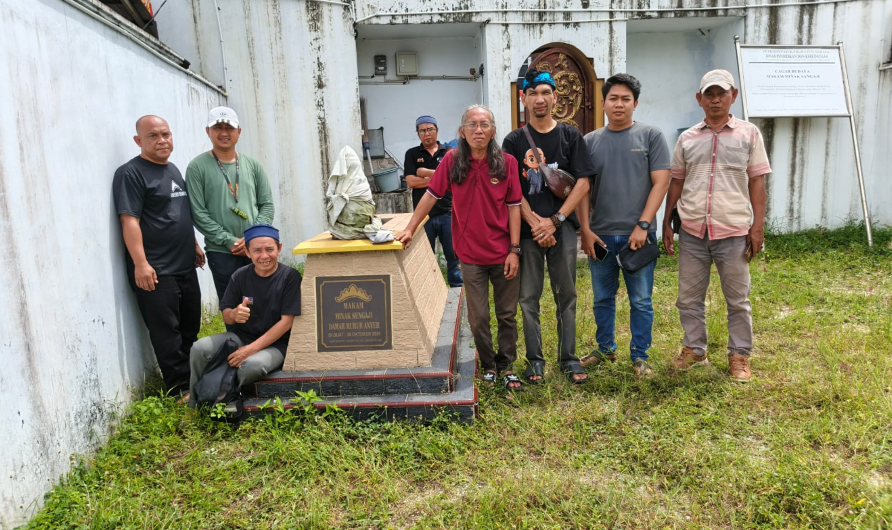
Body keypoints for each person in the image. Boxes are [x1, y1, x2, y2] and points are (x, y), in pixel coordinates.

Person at [395, 105, 524, 390]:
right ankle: (488, 365)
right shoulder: (453, 161)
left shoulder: (507, 162)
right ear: (462, 131)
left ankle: (507, 366)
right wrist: (410, 228)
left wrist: (515, 249)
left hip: (503, 253)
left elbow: (515, 208)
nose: (479, 130)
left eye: (485, 124)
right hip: (470, 255)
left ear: (492, 131)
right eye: (472, 125)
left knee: (506, 314)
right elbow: (429, 196)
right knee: (478, 317)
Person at [662, 69, 771, 382]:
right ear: (699, 99)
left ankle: (739, 355)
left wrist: (758, 226)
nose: (715, 99)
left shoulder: (749, 134)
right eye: (708, 94)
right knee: (688, 298)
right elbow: (677, 182)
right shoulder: (687, 138)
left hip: (733, 230)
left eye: (721, 93)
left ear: (732, 95)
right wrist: (668, 222)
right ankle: (695, 348)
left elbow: (757, 182)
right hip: (693, 231)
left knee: (738, 300)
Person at [501, 68, 596, 385]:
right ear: (523, 98)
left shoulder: (570, 136)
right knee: (528, 298)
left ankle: (569, 358)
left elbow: (583, 183)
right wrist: (535, 223)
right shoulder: (513, 141)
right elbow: (511, 188)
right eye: (533, 93)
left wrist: (555, 221)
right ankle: (535, 361)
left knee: (566, 294)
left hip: (563, 230)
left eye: (545, 92)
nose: (539, 99)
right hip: (528, 233)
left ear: (555, 97)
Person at [578, 73, 671, 378]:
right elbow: (583, 189)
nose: (619, 104)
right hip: (601, 236)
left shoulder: (651, 136)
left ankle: (640, 356)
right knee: (602, 298)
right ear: (603, 103)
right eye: (613, 98)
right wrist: (586, 230)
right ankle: (605, 350)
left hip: (638, 237)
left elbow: (661, 183)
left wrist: (643, 225)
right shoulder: (590, 142)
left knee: (641, 300)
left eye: (625, 99)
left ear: (636, 104)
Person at [113, 115, 205, 398]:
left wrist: (193, 245)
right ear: (138, 141)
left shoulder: (173, 169)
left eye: (166, 134)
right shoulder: (130, 173)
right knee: (167, 333)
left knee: (191, 327)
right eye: (153, 136)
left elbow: (177, 214)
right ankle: (179, 389)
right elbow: (129, 221)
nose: (162, 140)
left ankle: (196, 380)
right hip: (157, 271)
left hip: (184, 266)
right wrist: (141, 264)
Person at [188, 223, 301, 405]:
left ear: (279, 249)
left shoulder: (290, 277)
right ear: (247, 252)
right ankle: (194, 402)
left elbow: (286, 322)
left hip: (276, 345)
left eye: (269, 249)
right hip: (240, 338)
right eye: (257, 251)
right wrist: (234, 314)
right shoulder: (239, 276)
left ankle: (219, 394)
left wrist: (249, 350)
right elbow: (226, 314)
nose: (264, 256)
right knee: (199, 349)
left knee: (251, 366)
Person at [186, 106, 275, 303]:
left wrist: (252, 237)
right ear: (208, 131)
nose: (224, 133)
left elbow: (267, 205)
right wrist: (229, 240)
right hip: (222, 252)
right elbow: (198, 212)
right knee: (233, 305)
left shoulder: (253, 165)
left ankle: (265, 336)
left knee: (263, 302)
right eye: (218, 128)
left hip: (256, 250)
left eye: (229, 128)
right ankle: (236, 336)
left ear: (239, 132)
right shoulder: (197, 167)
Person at [403, 115, 462, 287]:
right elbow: (411, 182)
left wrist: (424, 172)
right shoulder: (412, 154)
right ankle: (429, 292)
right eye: (422, 130)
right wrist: (440, 178)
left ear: (437, 130)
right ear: (418, 133)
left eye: (430, 129)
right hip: (424, 217)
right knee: (425, 259)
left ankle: (458, 291)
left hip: (448, 213)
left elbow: (455, 179)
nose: (427, 133)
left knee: (454, 256)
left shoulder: (450, 153)